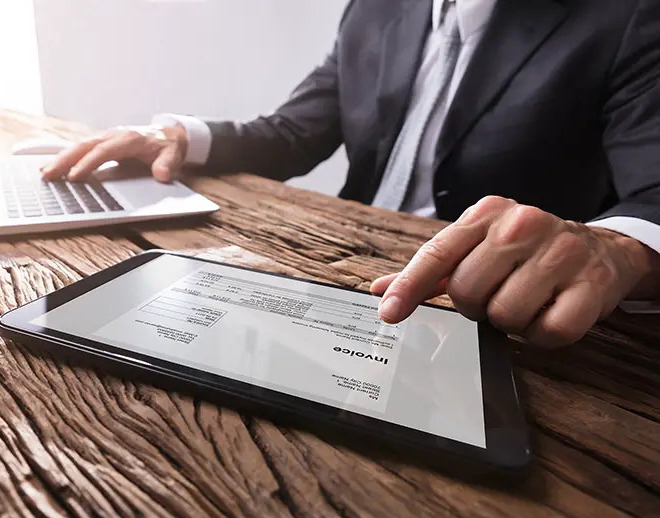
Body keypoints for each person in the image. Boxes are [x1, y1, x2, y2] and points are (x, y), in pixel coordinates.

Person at [43, 0, 660, 348]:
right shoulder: (375, 8)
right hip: (337, 267)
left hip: (492, 317)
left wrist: (619, 250)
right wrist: (178, 137)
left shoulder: (627, 18)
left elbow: (651, 196)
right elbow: (295, 132)